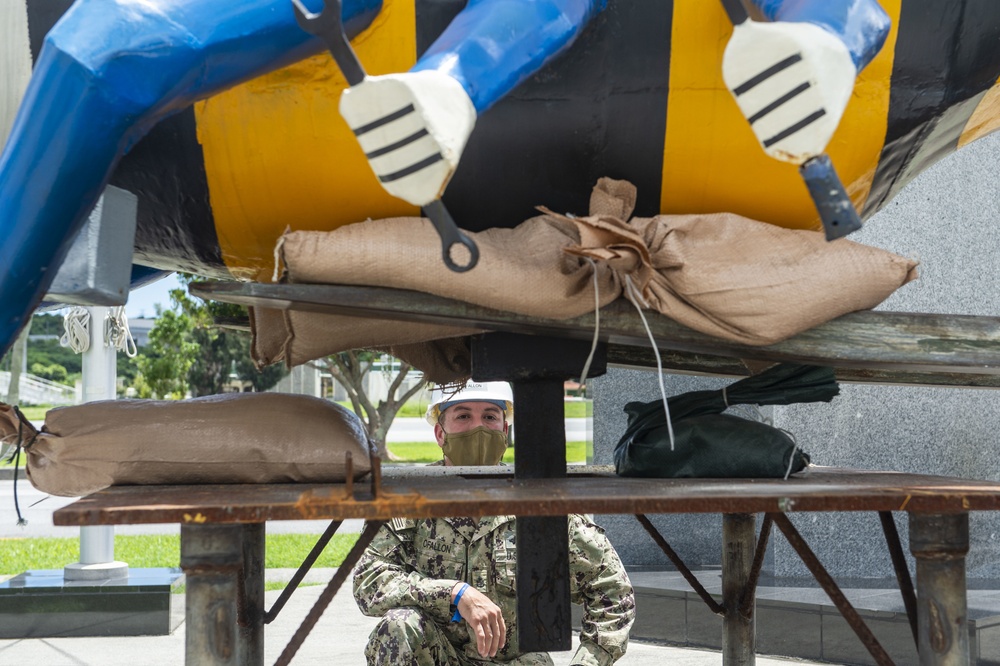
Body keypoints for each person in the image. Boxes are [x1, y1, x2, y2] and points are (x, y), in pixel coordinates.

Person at [353, 380, 635, 665]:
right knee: (399, 625)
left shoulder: (539, 504)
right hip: (438, 656)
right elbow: (369, 580)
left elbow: (613, 592)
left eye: (489, 416)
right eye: (463, 416)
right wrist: (453, 592)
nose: (479, 428)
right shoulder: (406, 499)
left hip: (515, 661)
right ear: (440, 432)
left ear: (504, 430)